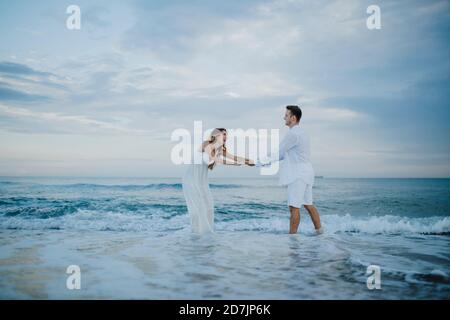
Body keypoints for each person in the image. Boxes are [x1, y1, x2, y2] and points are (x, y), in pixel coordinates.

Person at [258, 106, 323, 234]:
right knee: (309, 205)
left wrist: (259, 162)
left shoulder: (293, 134)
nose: (284, 117)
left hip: (297, 175)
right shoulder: (303, 132)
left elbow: (279, 152)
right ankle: (320, 233)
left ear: (293, 118)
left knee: (294, 207)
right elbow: (284, 154)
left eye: (286, 115)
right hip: (307, 173)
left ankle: (292, 241)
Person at [182, 128, 254, 234]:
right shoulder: (206, 144)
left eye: (227, 135)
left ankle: (205, 233)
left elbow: (233, 157)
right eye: (223, 134)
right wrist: (234, 164)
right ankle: (198, 233)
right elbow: (216, 159)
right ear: (215, 135)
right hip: (192, 178)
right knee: (200, 206)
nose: (226, 137)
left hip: (202, 180)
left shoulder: (221, 149)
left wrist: (247, 161)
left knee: (209, 204)